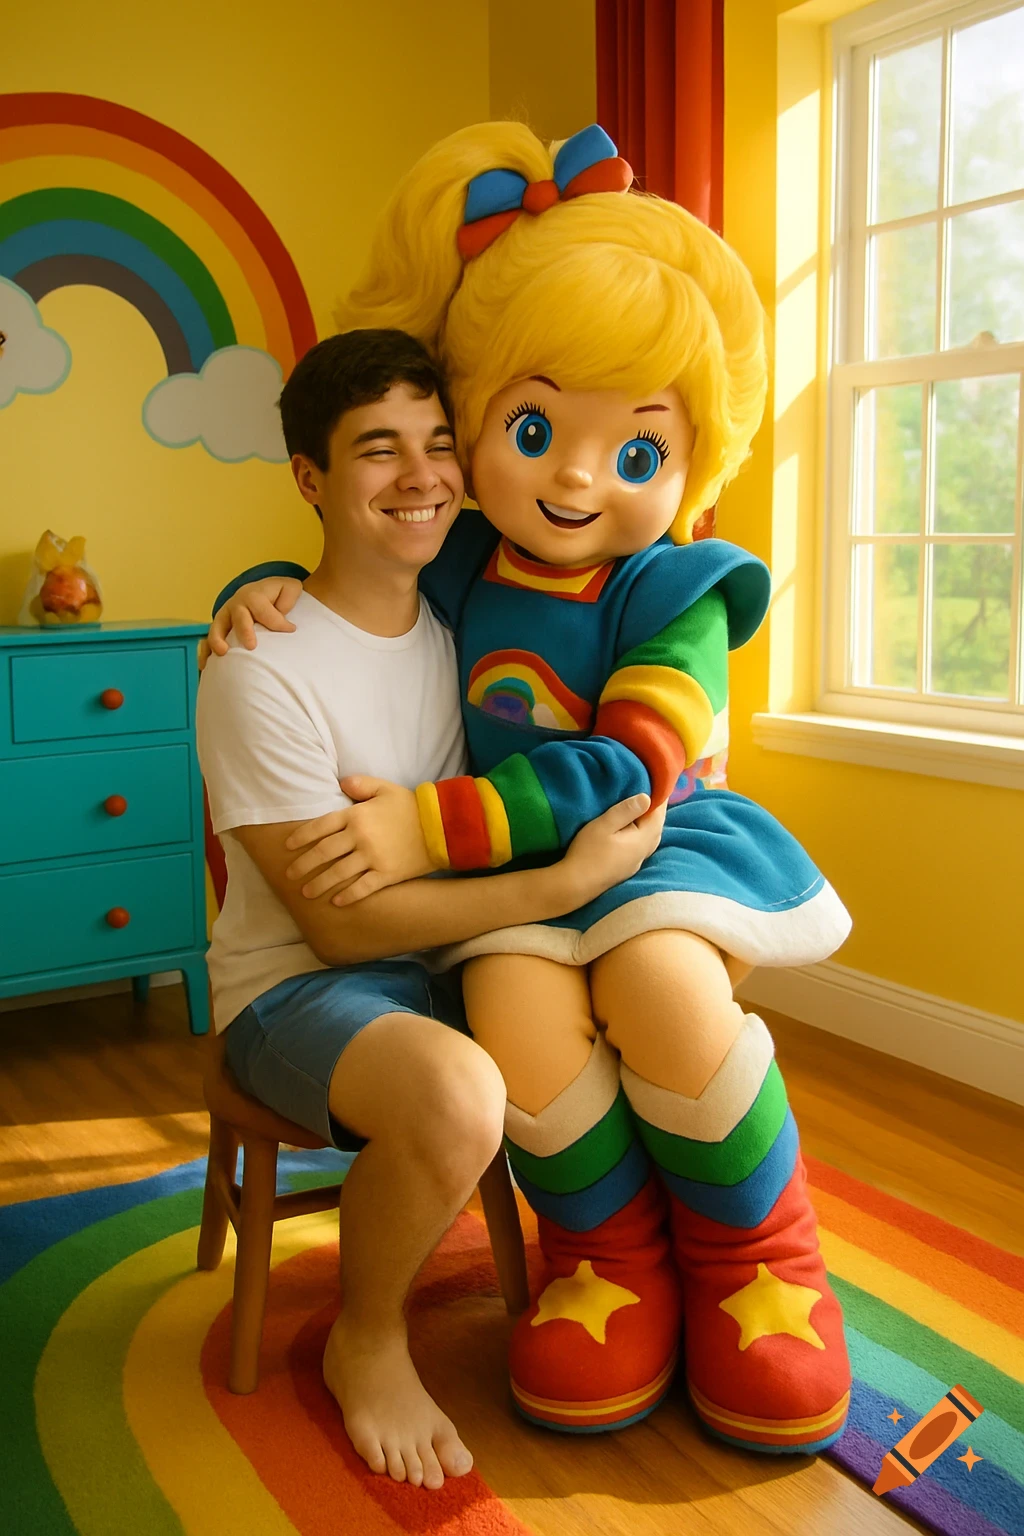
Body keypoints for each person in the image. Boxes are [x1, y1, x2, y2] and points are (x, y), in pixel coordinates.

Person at [209, 121, 853, 1455]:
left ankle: (761, 1271)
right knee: (512, 1013)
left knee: (663, 993)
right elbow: (345, 591)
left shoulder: (658, 589)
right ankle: (606, 1263)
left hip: (638, 848)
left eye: (635, 450)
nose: (570, 476)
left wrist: (418, 822)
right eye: (536, 426)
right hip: (487, 901)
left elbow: (628, 763)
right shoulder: (437, 578)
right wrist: (252, 596)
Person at [196, 327, 664, 1491]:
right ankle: (366, 1341)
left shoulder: (467, 633)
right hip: (297, 994)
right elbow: (339, 928)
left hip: (452, 951)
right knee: (461, 1091)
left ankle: (641, 1289)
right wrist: (558, 887)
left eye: (439, 444)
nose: (421, 478)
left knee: (647, 1009)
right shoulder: (261, 663)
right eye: (377, 451)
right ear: (311, 479)